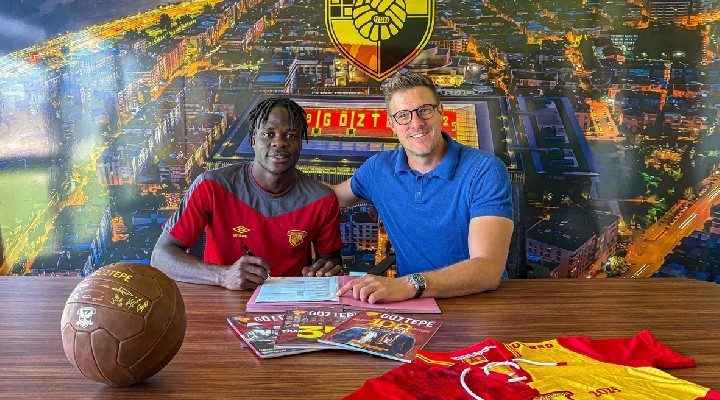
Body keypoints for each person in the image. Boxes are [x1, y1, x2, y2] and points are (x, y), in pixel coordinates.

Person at [332, 72, 514, 303]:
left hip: (478, 303)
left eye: (424, 110)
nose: (416, 123)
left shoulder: (485, 170)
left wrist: (409, 284)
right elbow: (333, 197)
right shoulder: (378, 169)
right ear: (392, 124)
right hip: (413, 305)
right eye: (403, 115)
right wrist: (284, 172)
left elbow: (487, 270)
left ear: (440, 112)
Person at [152, 97, 343, 290]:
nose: (279, 143)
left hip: (289, 303)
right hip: (221, 300)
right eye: (268, 134)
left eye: (291, 135)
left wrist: (324, 272)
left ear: (301, 143)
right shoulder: (211, 186)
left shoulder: (322, 199)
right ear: (252, 141)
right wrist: (223, 276)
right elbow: (161, 256)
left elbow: (331, 263)